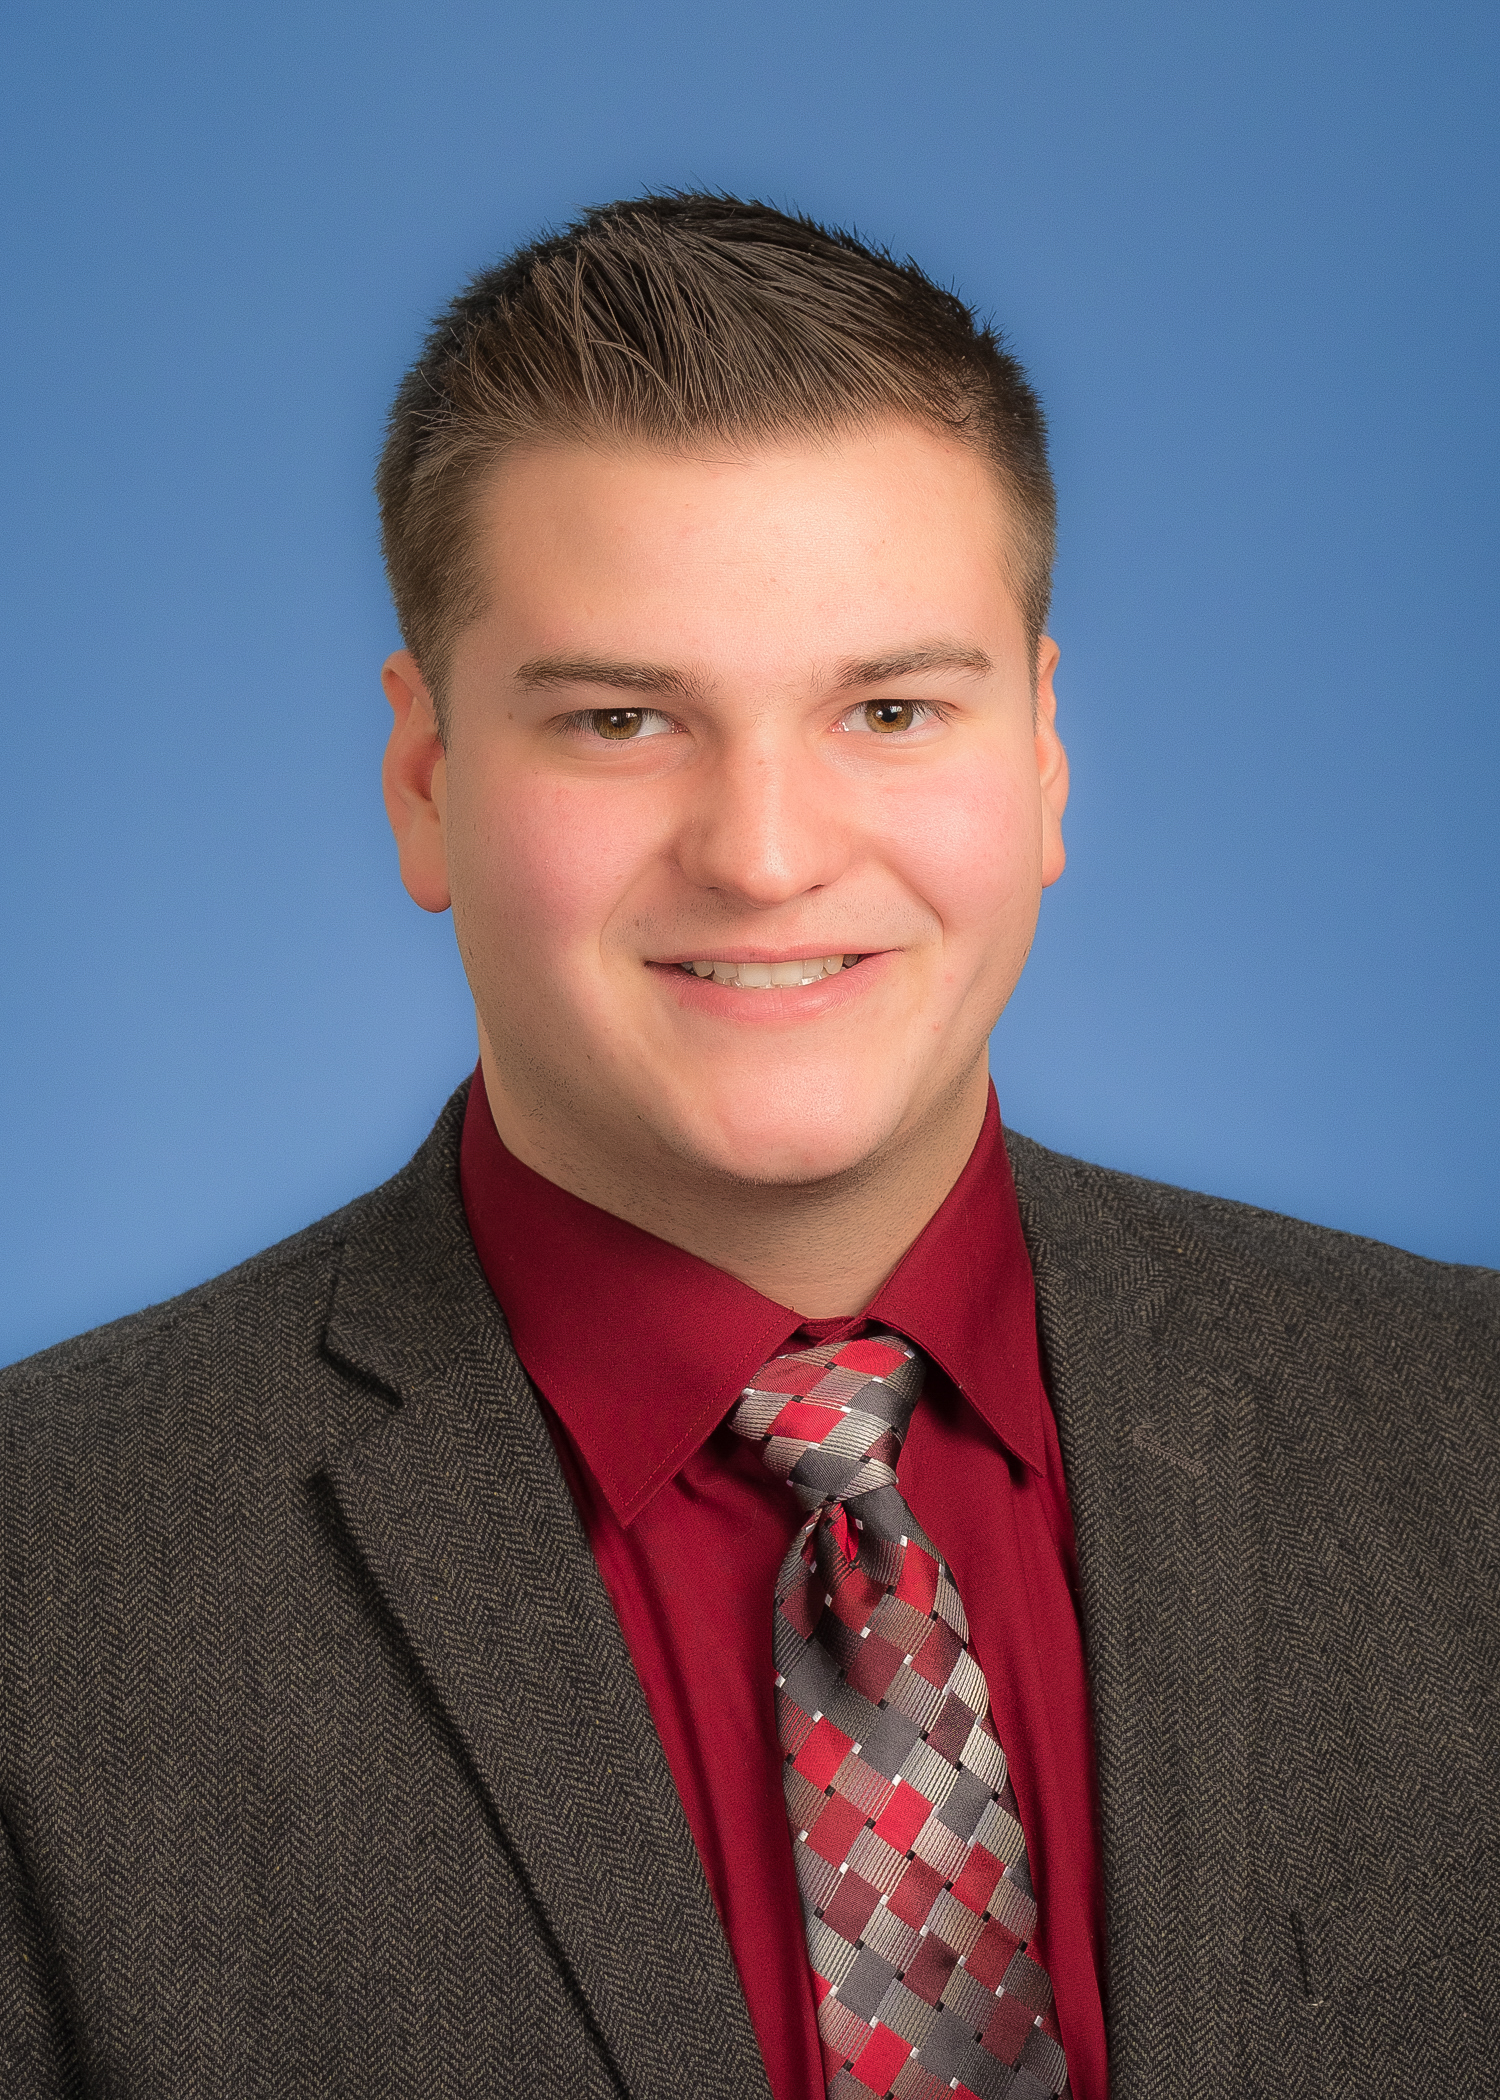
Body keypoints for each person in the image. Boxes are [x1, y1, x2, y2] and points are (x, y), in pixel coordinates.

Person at [1, 193, 1495, 2100]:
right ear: (427, 783)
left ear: (1039, 757)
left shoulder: (1468, 1445)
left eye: (888, 706)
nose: (768, 853)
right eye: (624, 718)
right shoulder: (44, 1591)